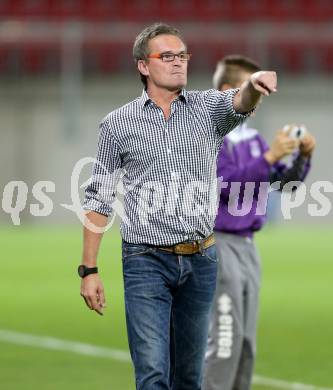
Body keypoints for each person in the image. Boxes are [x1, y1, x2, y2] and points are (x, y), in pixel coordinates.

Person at [79, 24, 277, 390]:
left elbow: (238, 101)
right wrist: (88, 269)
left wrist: (253, 85)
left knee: (189, 377)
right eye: (166, 56)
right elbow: (99, 196)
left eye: (182, 55)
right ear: (143, 66)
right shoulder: (117, 124)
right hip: (145, 261)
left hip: (202, 260)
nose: (177, 63)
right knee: (153, 373)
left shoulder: (207, 109)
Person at [203, 55, 316, 390]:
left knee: (246, 342)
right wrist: (268, 158)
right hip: (219, 245)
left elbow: (283, 184)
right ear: (228, 90)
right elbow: (224, 187)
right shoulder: (209, 138)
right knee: (225, 341)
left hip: (248, 248)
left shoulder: (252, 140)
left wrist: (303, 156)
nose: (260, 97)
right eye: (255, 88)